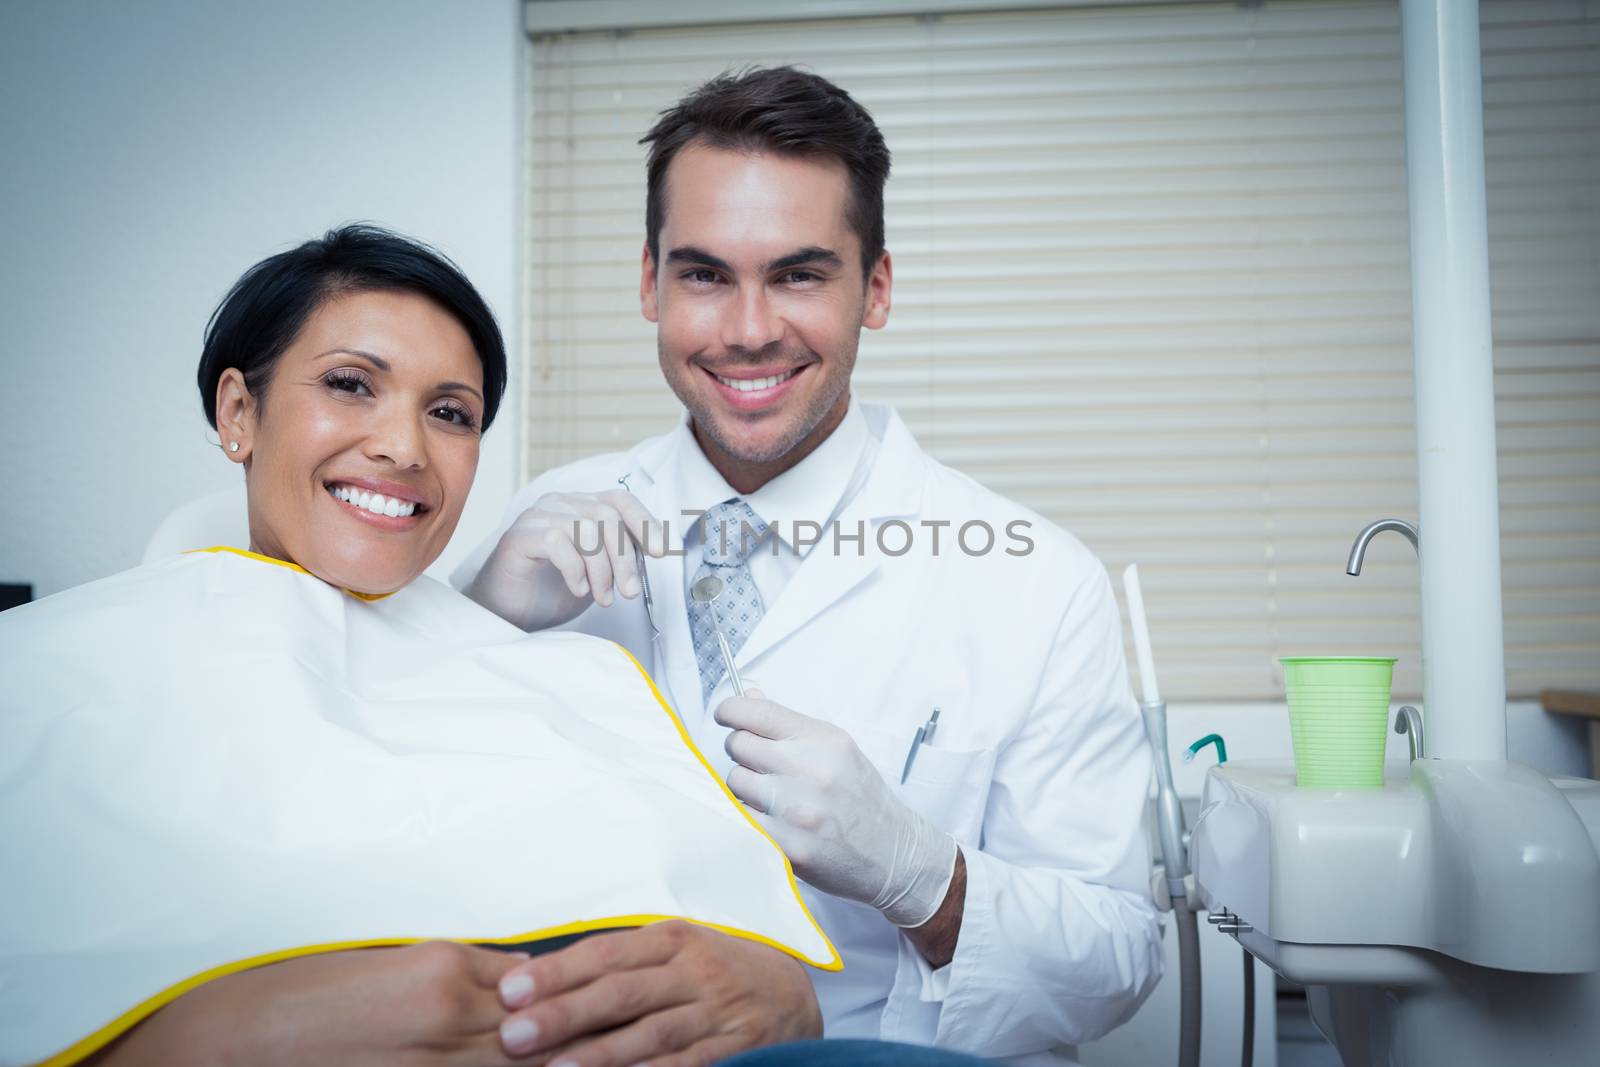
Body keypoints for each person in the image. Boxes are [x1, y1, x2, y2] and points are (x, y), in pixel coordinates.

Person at [457, 68, 1164, 1063]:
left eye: (797, 275)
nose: (749, 330)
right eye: (705, 275)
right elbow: (407, 833)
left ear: (874, 289)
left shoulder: (1039, 582)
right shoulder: (536, 529)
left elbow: (1117, 960)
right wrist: (471, 629)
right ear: (649, 282)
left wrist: (923, 876)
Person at [0, 225, 826, 1067]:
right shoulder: (52, 666)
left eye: (449, 413)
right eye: (351, 384)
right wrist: (206, 1038)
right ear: (238, 410)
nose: (404, 446)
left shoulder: (554, 671)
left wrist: (783, 995)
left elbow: (712, 912)